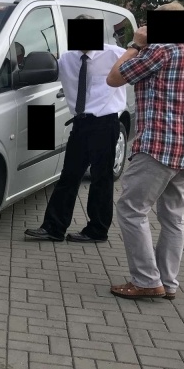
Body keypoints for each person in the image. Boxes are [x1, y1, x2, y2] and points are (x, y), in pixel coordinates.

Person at [106, 1, 184, 300]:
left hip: (157, 148)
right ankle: (167, 282)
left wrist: (134, 44)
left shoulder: (160, 51)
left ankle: (145, 280)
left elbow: (114, 78)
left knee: (131, 209)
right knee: (173, 217)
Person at [24, 16, 128, 243]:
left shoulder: (115, 54)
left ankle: (97, 230)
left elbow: (146, 61)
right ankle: (54, 227)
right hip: (80, 124)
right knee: (69, 177)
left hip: (105, 123)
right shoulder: (66, 59)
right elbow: (41, 70)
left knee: (101, 179)